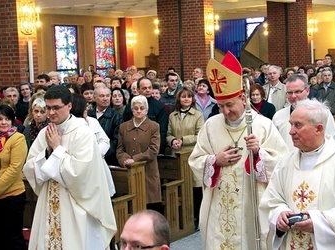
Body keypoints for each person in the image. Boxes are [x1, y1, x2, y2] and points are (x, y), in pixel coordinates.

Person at [188, 52, 288, 249]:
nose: (225, 111)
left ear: (243, 98)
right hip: (219, 201)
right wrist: (215, 160)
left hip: (250, 204)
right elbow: (195, 160)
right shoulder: (210, 126)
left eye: (229, 104)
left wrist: (259, 154)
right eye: (221, 106)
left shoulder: (262, 125)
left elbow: (281, 163)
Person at [259, 99, 335, 250]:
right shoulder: (285, 164)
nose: (290, 131)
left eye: (298, 125)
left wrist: (318, 222)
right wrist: (279, 214)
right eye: (291, 124)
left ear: (319, 128)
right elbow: (272, 201)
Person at [23, 86, 116, 249]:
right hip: (49, 200)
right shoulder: (45, 132)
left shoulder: (83, 133)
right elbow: (29, 167)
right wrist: (47, 151)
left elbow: (79, 173)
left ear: (69, 106)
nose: (51, 113)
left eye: (56, 108)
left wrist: (58, 149)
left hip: (76, 204)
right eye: (48, 108)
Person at [0, 105, 28, 250]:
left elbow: (14, 169)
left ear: (12, 120)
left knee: (12, 238)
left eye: (7, 119)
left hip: (11, 195)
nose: (4, 122)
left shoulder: (18, 138)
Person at [166, 87, 204, 228]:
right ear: (179, 99)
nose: (186, 99)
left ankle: (197, 217)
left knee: (194, 187)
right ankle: (182, 218)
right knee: (180, 186)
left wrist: (183, 139)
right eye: (183, 97)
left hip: (191, 154)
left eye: (189, 97)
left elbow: (200, 135)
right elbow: (168, 133)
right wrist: (172, 140)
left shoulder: (197, 115)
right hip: (176, 154)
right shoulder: (173, 115)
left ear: (192, 99)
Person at [116, 95, 162, 213]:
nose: (139, 111)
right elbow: (120, 149)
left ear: (146, 110)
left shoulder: (153, 126)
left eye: (142, 108)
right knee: (133, 205)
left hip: (148, 172)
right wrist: (125, 160)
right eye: (136, 108)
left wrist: (134, 159)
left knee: (149, 206)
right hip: (129, 170)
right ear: (132, 110)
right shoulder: (124, 127)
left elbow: (153, 150)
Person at [272, 74, 335, 151]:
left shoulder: (322, 113)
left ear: (307, 91)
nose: (293, 96)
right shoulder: (278, 116)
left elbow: (334, 141)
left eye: (298, 91)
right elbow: (274, 144)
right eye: (289, 92)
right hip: (287, 161)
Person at [70, 93, 115, 197]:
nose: (86, 109)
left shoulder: (93, 121)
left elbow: (105, 140)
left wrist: (96, 153)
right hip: (81, 168)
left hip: (98, 162)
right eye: (83, 107)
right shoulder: (71, 126)